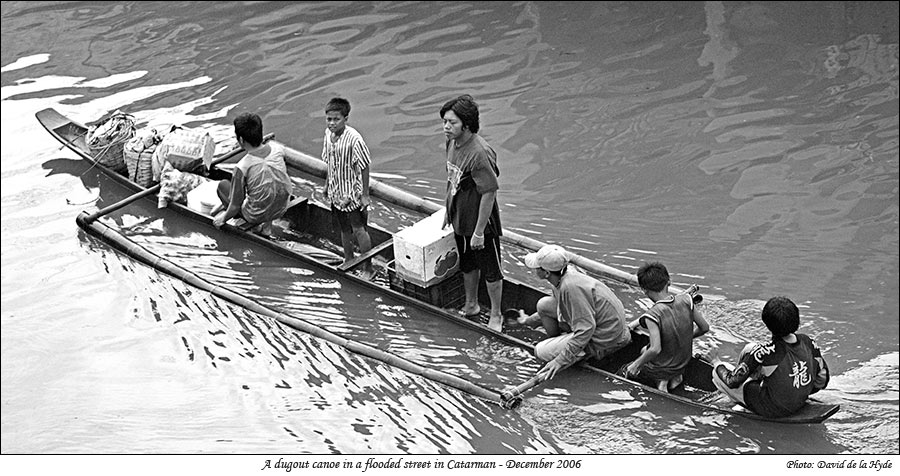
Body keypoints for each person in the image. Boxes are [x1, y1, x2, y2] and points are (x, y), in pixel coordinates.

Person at [513, 244, 632, 381]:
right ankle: (560, 343)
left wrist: (560, 360)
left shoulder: (570, 288)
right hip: (601, 324)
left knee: (540, 351)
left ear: (546, 273)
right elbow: (555, 309)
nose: (534, 270)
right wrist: (527, 321)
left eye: (537, 268)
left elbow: (586, 329)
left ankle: (583, 354)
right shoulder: (563, 276)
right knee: (543, 305)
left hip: (605, 337)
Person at [440, 94, 503, 331]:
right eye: (444, 121)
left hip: (480, 221)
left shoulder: (479, 152)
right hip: (460, 215)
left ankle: (496, 314)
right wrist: (448, 209)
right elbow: (452, 179)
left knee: (491, 268)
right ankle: (471, 304)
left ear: (466, 124)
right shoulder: (451, 142)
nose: (446, 127)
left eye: (452, 122)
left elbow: (489, 192)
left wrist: (479, 232)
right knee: (467, 263)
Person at [710, 296, 830, 418]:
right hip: (800, 400)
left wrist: (716, 362)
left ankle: (741, 401)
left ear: (767, 324)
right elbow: (822, 378)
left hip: (773, 408)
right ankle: (749, 390)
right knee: (750, 348)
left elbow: (732, 381)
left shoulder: (764, 352)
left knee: (719, 371)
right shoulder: (808, 342)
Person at [623, 261, 710, 392]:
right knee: (646, 351)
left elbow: (655, 349)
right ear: (668, 282)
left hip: (663, 367)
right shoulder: (687, 300)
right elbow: (704, 328)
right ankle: (676, 378)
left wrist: (635, 366)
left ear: (644, 290)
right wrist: (684, 338)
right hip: (683, 363)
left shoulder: (652, 315)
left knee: (640, 355)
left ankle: (661, 383)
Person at [213, 113, 291, 232]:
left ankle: (257, 225)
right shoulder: (278, 149)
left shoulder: (242, 166)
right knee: (269, 182)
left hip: (255, 215)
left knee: (222, 185)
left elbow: (235, 206)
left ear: (241, 140)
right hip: (282, 207)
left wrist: (222, 219)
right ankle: (267, 226)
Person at [322, 97, 373, 275]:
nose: (332, 123)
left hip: (351, 193)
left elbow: (365, 165)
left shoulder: (354, 139)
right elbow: (329, 161)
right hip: (337, 191)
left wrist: (365, 194)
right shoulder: (328, 135)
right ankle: (349, 259)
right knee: (344, 228)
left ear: (346, 119)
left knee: (359, 229)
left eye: (336, 119)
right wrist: (328, 184)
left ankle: (368, 267)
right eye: (329, 119)